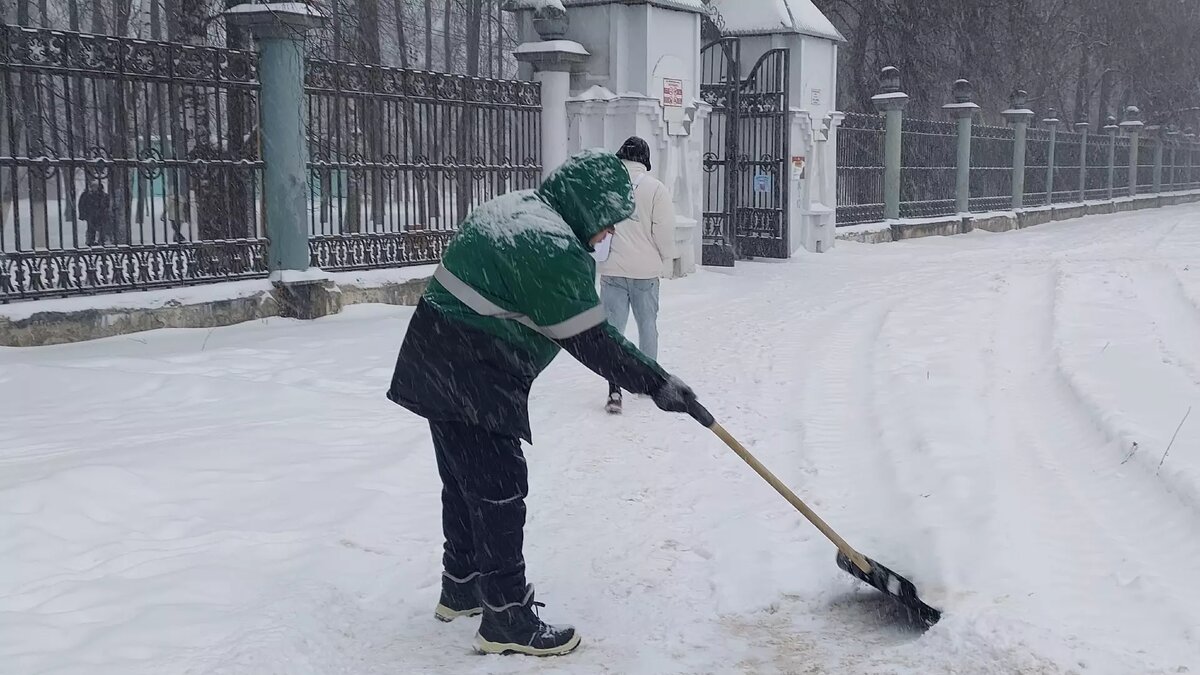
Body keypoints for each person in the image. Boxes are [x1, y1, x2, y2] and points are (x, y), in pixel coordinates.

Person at [386, 149, 704, 657]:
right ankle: (506, 616)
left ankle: (463, 582)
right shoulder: (549, 243)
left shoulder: (521, 207)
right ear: (587, 207)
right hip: (474, 367)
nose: (607, 237)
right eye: (605, 225)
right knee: (498, 486)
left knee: (464, 477)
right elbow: (594, 340)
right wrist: (659, 382)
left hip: (435, 358)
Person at [597, 136, 677, 414]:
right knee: (647, 326)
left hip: (612, 270)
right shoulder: (656, 189)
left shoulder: (606, 186)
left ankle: (614, 389)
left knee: (613, 332)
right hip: (645, 272)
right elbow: (664, 232)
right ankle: (646, 381)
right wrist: (665, 258)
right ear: (645, 160)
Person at [77, 181, 110, 247]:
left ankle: (101, 240)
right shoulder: (86, 195)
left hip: (101, 214)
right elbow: (81, 205)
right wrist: (82, 214)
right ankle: (90, 240)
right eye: (93, 186)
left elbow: (107, 205)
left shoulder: (103, 195)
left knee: (101, 228)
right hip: (90, 214)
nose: (94, 188)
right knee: (91, 228)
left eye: (96, 186)